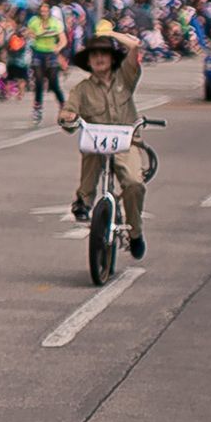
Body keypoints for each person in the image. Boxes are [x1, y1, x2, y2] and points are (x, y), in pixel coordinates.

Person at [59, 29, 150, 257]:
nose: (99, 58)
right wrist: (67, 118)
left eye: (104, 53)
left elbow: (134, 46)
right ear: (88, 61)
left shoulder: (125, 77)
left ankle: (135, 232)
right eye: (94, 55)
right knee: (90, 151)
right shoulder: (81, 89)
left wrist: (109, 32)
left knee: (134, 184)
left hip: (126, 143)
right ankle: (83, 201)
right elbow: (68, 114)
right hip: (97, 143)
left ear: (112, 58)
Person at [25, 0, 68, 122]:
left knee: (53, 83)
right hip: (38, 53)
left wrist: (58, 48)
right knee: (38, 81)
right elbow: (29, 33)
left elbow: (63, 40)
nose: (43, 13)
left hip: (51, 54)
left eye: (46, 10)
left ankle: (63, 105)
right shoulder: (34, 21)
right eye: (42, 10)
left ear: (49, 11)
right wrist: (33, 35)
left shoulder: (55, 23)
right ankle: (37, 108)